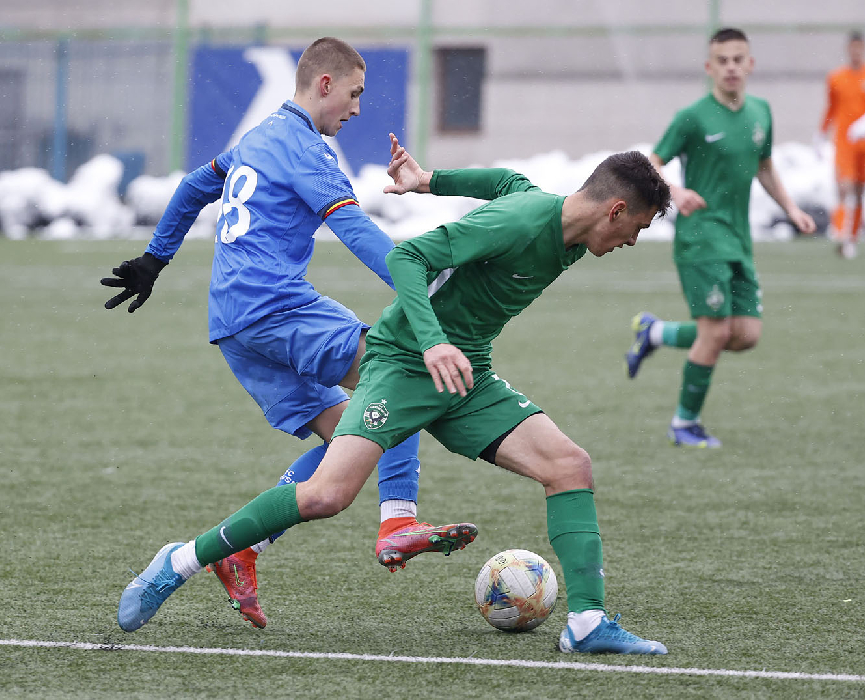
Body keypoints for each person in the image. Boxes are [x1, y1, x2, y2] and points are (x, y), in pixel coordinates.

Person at [117, 144, 674, 656]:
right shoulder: (519, 223)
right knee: (326, 495)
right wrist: (432, 342)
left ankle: (586, 623)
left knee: (570, 466)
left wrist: (429, 180)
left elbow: (507, 180)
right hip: (405, 363)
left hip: (465, 375)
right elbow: (409, 258)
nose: (632, 241)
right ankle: (181, 561)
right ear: (615, 210)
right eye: (638, 227)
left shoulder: (560, 224)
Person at [102, 37, 477, 630]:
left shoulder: (258, 137)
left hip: (232, 326)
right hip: (274, 308)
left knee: (348, 445)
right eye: (353, 93)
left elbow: (196, 186)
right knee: (399, 373)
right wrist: (421, 286)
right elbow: (355, 231)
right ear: (324, 84)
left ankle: (207, 555)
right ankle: (399, 520)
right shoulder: (305, 148)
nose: (356, 109)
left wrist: (155, 258)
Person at [624, 27, 816, 448]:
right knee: (714, 333)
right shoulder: (692, 117)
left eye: (737, 59)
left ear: (750, 64)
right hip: (701, 237)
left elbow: (764, 166)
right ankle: (684, 424)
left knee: (745, 334)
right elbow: (651, 163)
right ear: (709, 67)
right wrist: (674, 191)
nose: (731, 67)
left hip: (738, 238)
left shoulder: (761, 112)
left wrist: (791, 209)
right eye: (722, 60)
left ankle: (655, 334)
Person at [817, 30, 865, 259]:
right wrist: (821, 133)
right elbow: (831, 108)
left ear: (864, 49)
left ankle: (852, 237)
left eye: (859, 48)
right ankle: (840, 233)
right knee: (843, 186)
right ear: (848, 50)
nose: (856, 52)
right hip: (844, 141)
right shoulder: (837, 78)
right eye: (852, 48)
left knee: (859, 191)